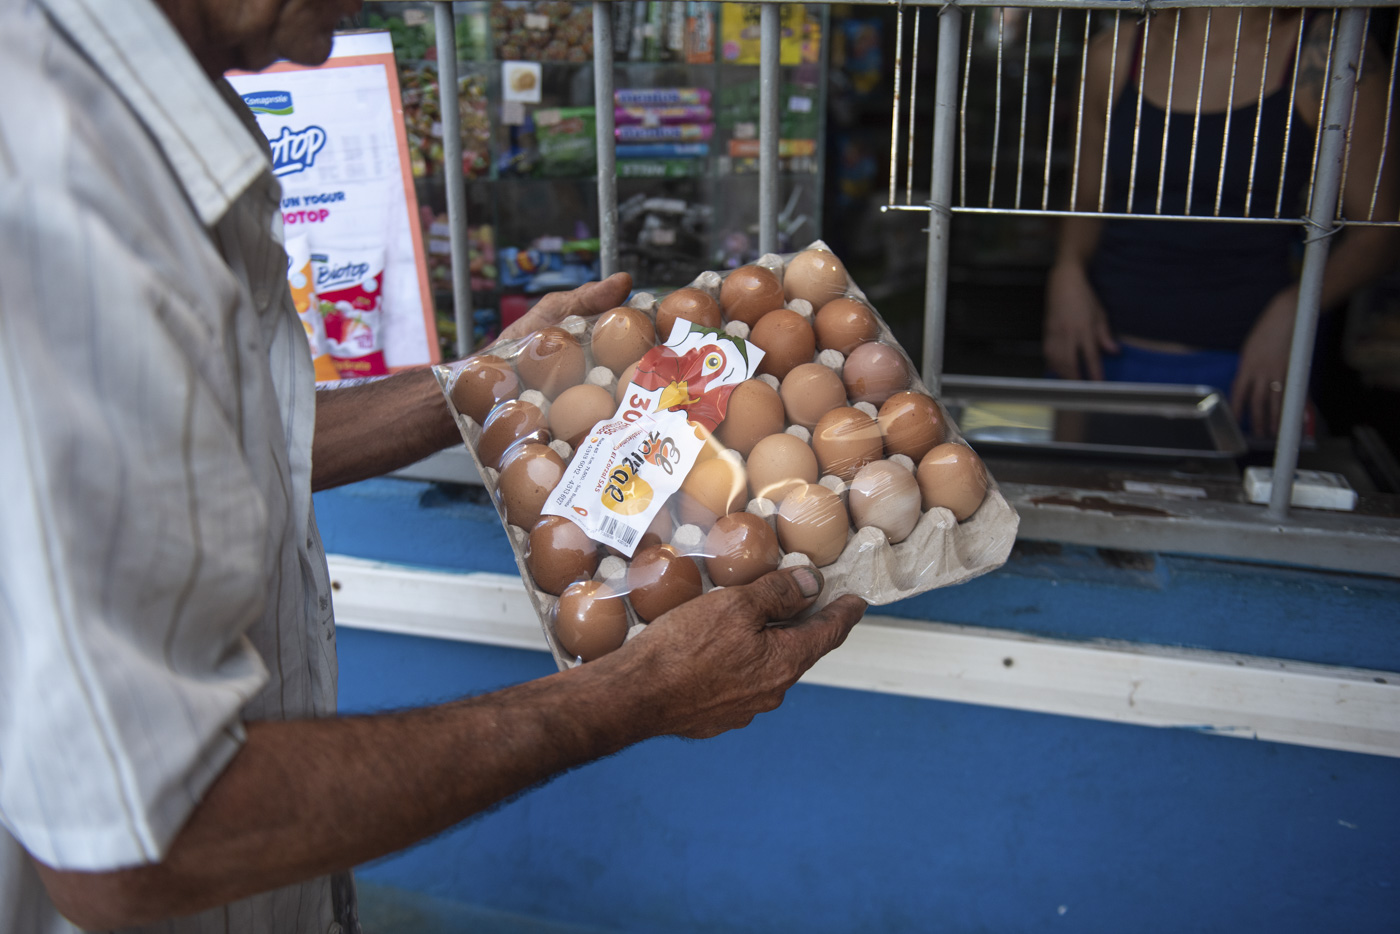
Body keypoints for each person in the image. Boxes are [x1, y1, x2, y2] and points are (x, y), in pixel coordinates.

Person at [0, 1, 867, 931]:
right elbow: (142, 842)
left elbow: (218, 444)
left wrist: (492, 389)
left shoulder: (147, 111)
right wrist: (630, 695)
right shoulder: (57, 186)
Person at [1043, 7, 1399, 437]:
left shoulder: (1330, 51)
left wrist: (1294, 310)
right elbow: (1087, 199)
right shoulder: (1116, 51)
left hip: (1249, 364)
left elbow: (1379, 232)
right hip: (1100, 352)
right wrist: (1067, 272)